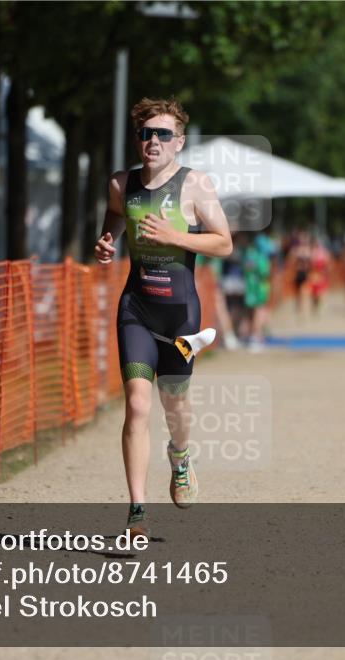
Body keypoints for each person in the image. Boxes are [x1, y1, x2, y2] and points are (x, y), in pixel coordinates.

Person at [93, 97, 233, 537]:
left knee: (175, 405)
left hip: (180, 316)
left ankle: (180, 455)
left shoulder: (195, 186)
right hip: (136, 309)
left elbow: (224, 242)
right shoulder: (121, 184)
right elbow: (115, 215)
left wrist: (177, 236)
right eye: (146, 133)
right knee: (137, 404)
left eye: (163, 134)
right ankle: (137, 509)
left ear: (179, 142)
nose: (153, 141)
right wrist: (107, 240)